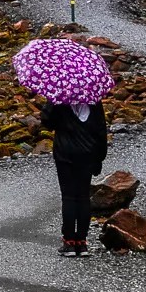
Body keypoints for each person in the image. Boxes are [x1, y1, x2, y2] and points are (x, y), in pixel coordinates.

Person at [41, 98, 109, 257]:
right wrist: (99, 158)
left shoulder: (59, 97)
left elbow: (47, 121)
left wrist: (51, 103)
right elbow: (100, 130)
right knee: (84, 196)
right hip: (87, 153)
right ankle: (82, 242)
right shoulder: (94, 100)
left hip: (65, 153)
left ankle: (69, 242)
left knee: (69, 196)